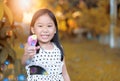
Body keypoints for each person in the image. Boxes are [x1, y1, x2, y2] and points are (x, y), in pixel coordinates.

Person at [21, 8, 71, 81]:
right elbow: (23, 63)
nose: (45, 30)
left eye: (49, 26)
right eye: (40, 26)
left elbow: (64, 73)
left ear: (55, 30)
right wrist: (27, 54)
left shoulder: (59, 48)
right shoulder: (31, 47)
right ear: (33, 29)